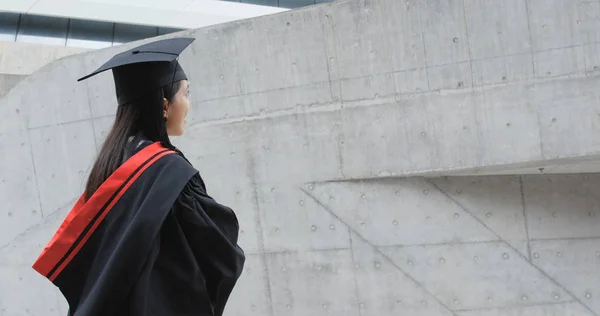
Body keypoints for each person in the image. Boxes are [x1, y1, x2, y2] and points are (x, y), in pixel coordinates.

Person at [31, 37, 245, 316]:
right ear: (165, 105)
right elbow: (219, 255)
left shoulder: (113, 162)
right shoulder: (168, 171)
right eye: (186, 93)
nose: (189, 104)